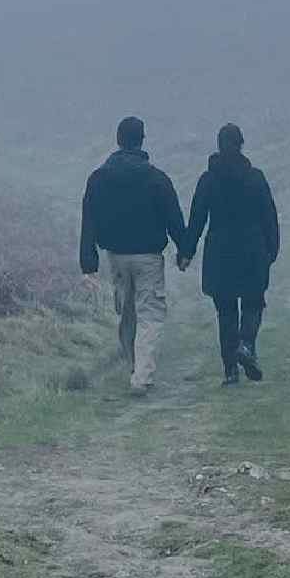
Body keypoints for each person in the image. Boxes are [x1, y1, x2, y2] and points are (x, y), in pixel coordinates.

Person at [80, 116, 186, 394]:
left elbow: (88, 220)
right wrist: (184, 250)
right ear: (142, 140)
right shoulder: (156, 178)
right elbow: (174, 218)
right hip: (148, 257)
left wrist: (88, 263)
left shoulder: (98, 178)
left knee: (127, 313)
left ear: (118, 140)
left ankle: (133, 366)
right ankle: (142, 376)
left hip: (115, 256)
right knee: (149, 313)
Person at [180, 124, 280, 385]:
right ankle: (246, 345)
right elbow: (269, 216)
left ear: (219, 144)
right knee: (253, 303)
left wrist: (186, 252)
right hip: (252, 251)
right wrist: (272, 249)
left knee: (225, 312)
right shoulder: (255, 178)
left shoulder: (208, 179)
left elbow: (197, 220)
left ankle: (230, 371)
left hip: (220, 253)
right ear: (241, 144)